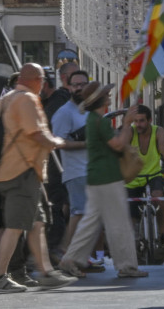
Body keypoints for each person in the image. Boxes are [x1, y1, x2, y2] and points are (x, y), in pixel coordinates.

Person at [0, 63, 75, 292]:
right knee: (16, 227)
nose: (44, 84)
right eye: (43, 79)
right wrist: (60, 142)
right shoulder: (26, 99)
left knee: (36, 224)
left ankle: (46, 271)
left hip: (14, 171)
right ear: (37, 79)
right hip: (22, 171)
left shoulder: (6, 98)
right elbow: (36, 133)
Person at [57, 82, 148, 279]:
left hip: (97, 177)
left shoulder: (93, 119)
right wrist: (126, 123)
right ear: (99, 99)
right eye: (106, 93)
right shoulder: (100, 121)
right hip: (107, 177)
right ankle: (126, 266)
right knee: (119, 223)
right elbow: (117, 145)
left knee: (90, 223)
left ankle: (70, 260)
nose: (109, 95)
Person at [49, 68, 90, 254]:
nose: (80, 88)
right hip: (75, 172)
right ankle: (67, 253)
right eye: (76, 85)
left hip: (88, 171)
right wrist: (85, 144)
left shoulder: (86, 111)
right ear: (69, 87)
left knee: (88, 216)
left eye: (83, 84)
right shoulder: (64, 112)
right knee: (79, 214)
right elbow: (57, 142)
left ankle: (80, 255)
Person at [124, 104, 164, 244]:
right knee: (131, 209)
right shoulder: (131, 131)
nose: (138, 124)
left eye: (142, 121)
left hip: (153, 174)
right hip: (133, 177)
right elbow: (122, 145)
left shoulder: (158, 131)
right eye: (136, 121)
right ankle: (134, 237)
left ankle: (162, 233)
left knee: (158, 198)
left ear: (150, 120)